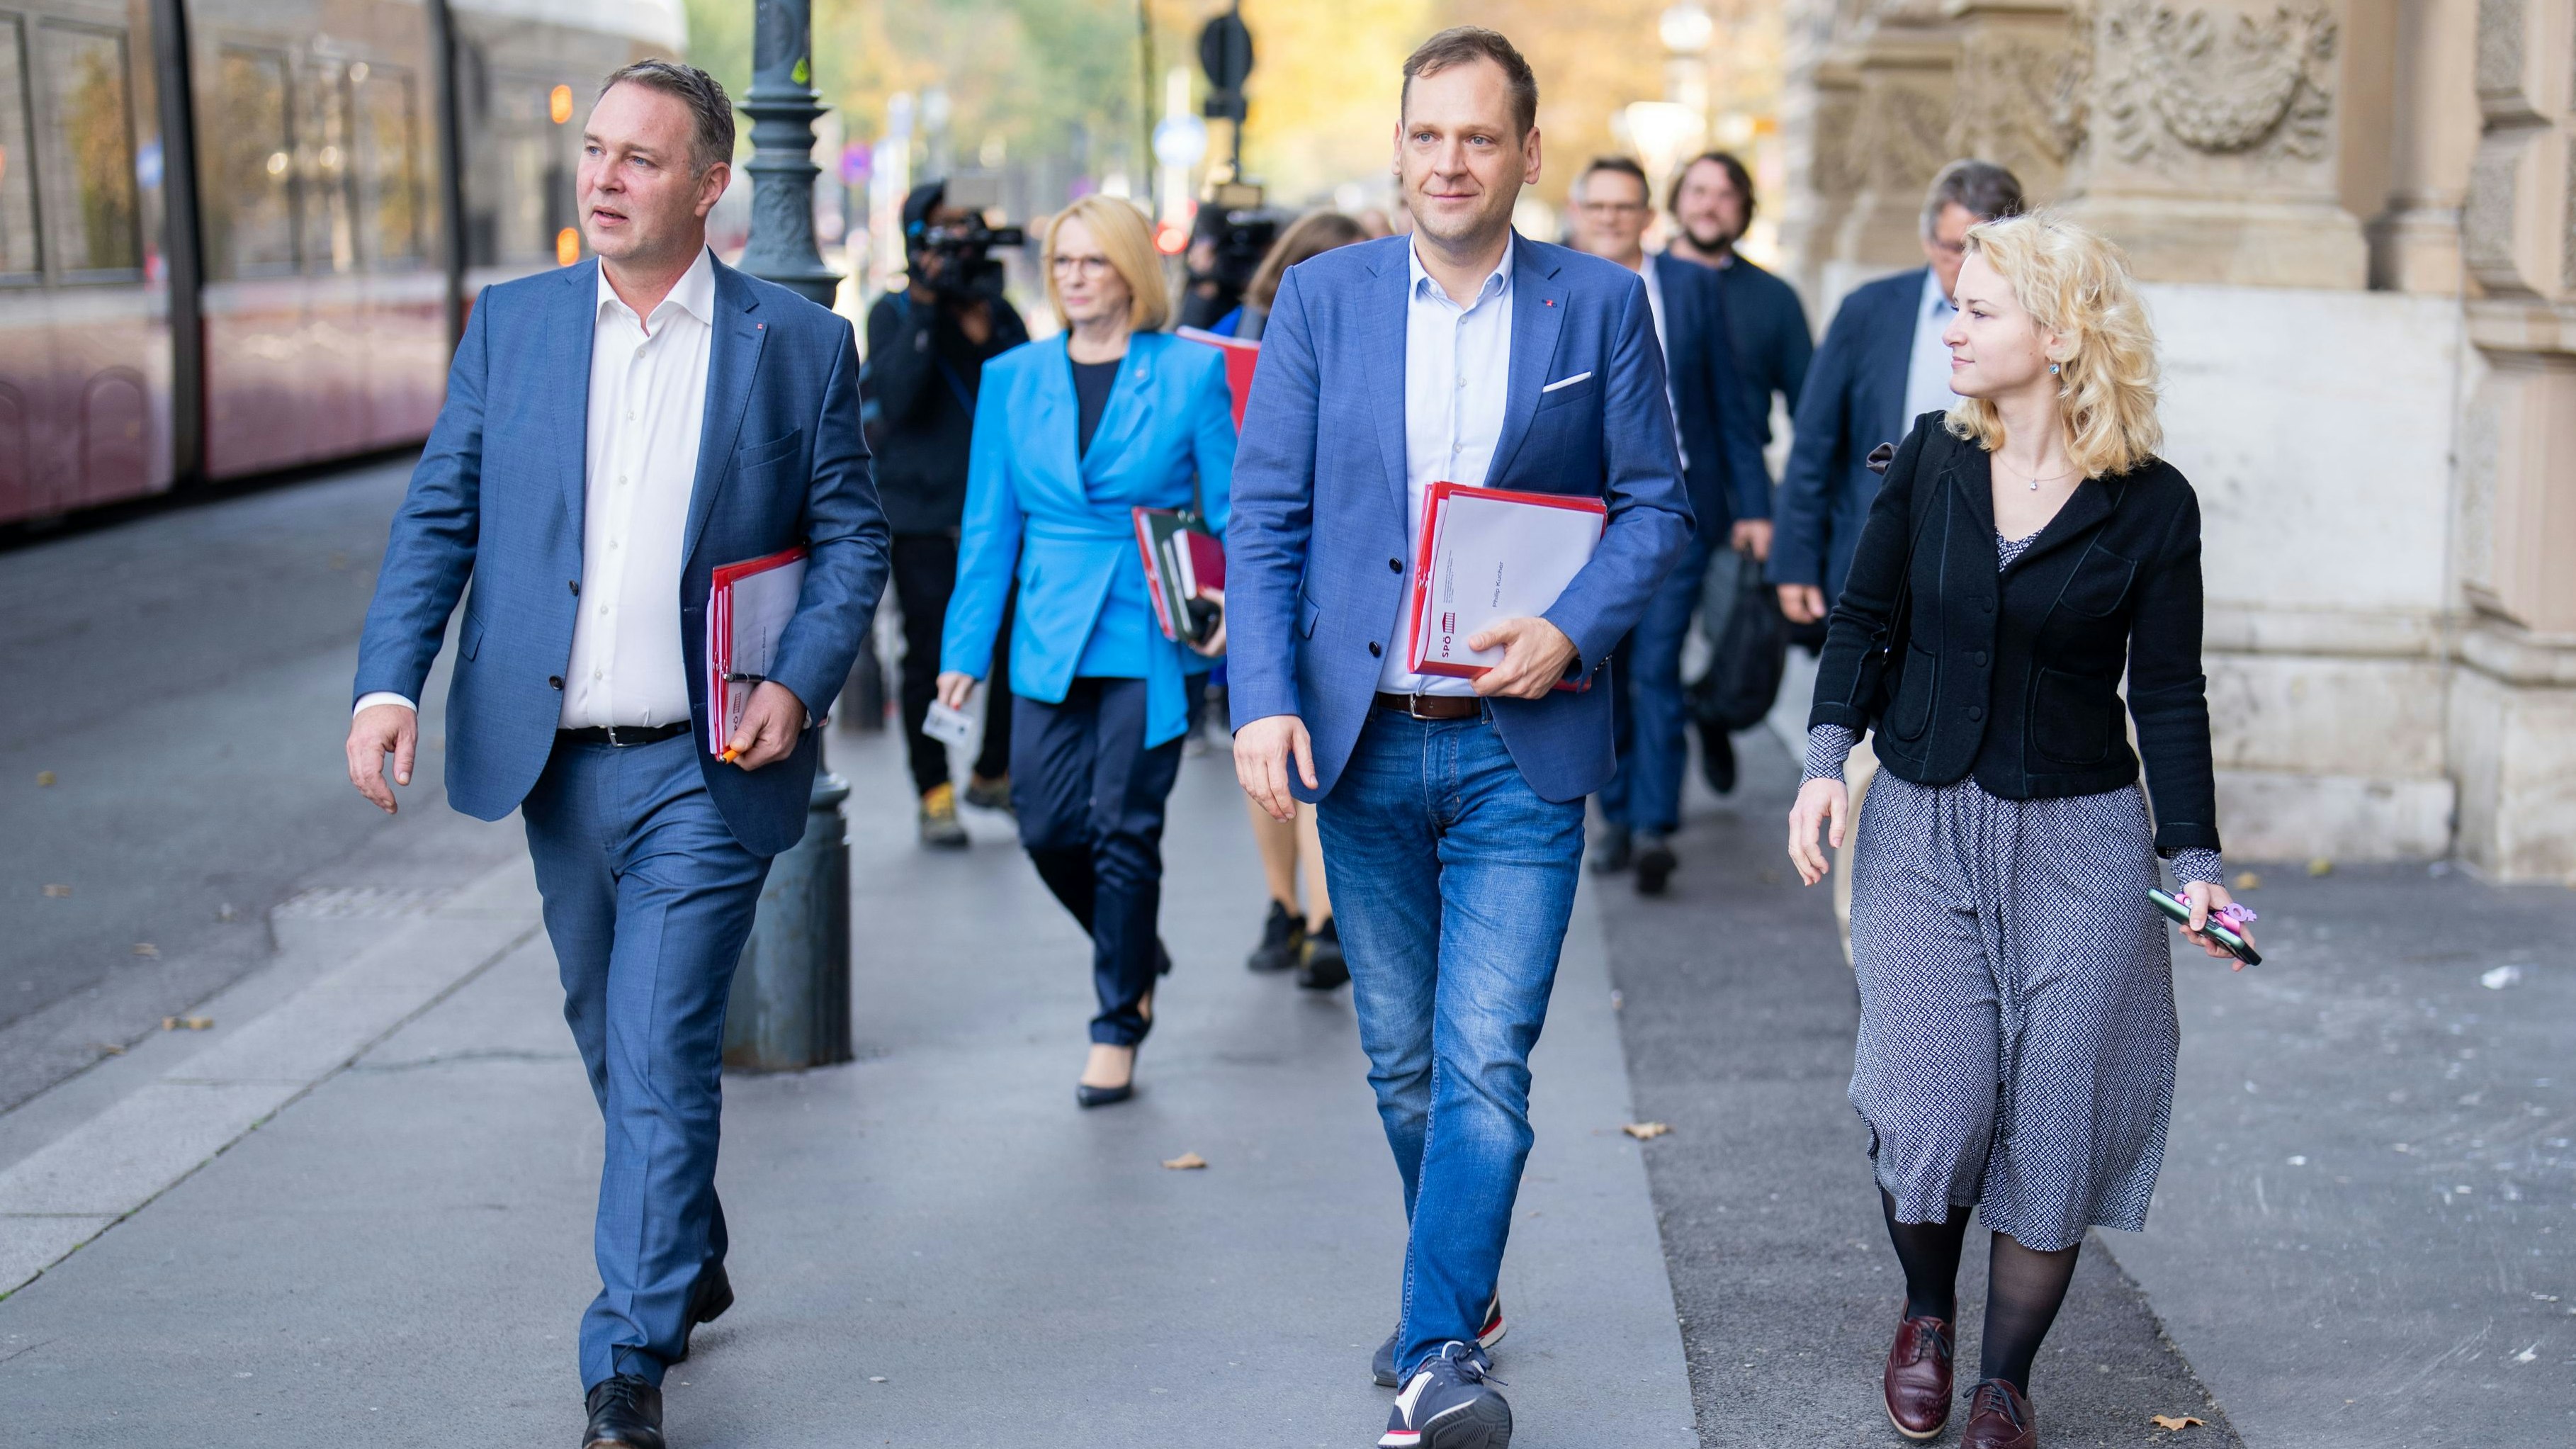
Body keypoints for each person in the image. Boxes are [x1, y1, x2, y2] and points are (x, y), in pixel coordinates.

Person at [344, 61, 886, 1449]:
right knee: (609, 1032)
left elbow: (850, 541)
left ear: (713, 187)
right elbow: (438, 517)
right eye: (595, 152)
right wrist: (387, 681)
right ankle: (686, 1237)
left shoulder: (796, 345)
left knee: (660, 1045)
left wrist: (804, 679)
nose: (604, 178)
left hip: (706, 765)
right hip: (552, 762)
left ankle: (624, 1359)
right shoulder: (514, 327)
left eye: (641, 160)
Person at [1227, 28, 1692, 1447]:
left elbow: (1656, 507)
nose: (1449, 161)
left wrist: (1571, 626)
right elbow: (1267, 518)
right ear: (1399, 145)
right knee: (1400, 1058)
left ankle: (1437, 1348)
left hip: (1519, 741)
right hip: (1361, 741)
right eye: (1427, 135)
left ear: (1527, 154)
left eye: (1478, 138)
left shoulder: (1598, 306)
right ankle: (1465, 1283)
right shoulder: (1323, 299)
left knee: (1484, 1050)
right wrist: (1259, 696)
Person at [1784, 213, 2251, 1449]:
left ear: (2058, 334)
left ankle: (2003, 1380)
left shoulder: (2153, 507)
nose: (1952, 324)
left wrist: (2193, 861)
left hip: (2083, 842)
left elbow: (2168, 692)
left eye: (1979, 309)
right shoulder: (1935, 460)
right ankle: (1927, 1312)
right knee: (1932, 1104)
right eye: (1956, 303)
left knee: (2057, 1113)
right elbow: (1862, 619)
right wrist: (1827, 760)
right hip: (1924, 823)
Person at [935, 195, 1236, 1109]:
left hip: (1151, 621)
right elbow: (989, 527)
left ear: (1131, 272)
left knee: (1124, 828)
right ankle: (1133, 942)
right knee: (1047, 824)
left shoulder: (1188, 373)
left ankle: (1118, 1021)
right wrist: (964, 651)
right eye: (1061, 261)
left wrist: (1230, 612)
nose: (1072, 277)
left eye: (1092, 261)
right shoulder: (1012, 377)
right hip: (1050, 626)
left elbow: (1232, 512)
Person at [1564, 154, 1769, 894]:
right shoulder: (1552, 281)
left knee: (1656, 664)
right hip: (1582, 516)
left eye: (1627, 207)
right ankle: (1615, 814)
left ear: (1649, 215)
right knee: (1599, 665)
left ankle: (1654, 823)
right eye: (1600, 206)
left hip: (1671, 505)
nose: (1613, 219)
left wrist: (1753, 506)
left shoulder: (1689, 287)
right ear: (1578, 209)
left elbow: (1729, 406)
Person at [1210, 210, 1371, 986]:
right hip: (1269, 563)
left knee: (1307, 744)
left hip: (1334, 567)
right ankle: (1297, 910)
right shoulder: (1235, 338)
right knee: (1266, 741)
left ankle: (1310, 914)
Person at [1770, 159, 2024, 624]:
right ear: (1928, 240)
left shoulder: (2037, 327)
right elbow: (1815, 441)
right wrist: (1796, 562)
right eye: (1954, 247)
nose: (1968, 264)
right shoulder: (1868, 310)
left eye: (1987, 250)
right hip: (1875, 551)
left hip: (1990, 559)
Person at [865, 181, 1031, 847]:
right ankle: (933, 790)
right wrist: (929, 310)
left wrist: (984, 321)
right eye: (941, 233)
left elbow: (1028, 389)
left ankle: (993, 770)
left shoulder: (997, 312)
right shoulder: (892, 311)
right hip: (924, 519)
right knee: (929, 656)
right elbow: (897, 401)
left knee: (1012, 648)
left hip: (999, 518)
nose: (956, 246)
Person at [1663, 150, 1812, 793]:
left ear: (1745, 209)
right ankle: (1646, 814)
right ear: (1675, 201)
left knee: (1738, 641)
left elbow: (1812, 408)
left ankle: (1714, 714)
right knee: (1649, 656)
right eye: (1697, 191)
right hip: (1655, 499)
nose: (1708, 205)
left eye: (1725, 195)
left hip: (1740, 503)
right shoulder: (1637, 281)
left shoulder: (1773, 299)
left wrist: (1789, 515)